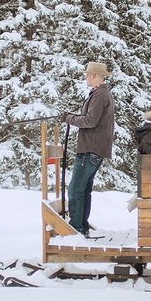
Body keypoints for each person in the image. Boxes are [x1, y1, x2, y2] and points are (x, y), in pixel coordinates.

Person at [60, 61, 115, 237]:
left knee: (75, 189)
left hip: (90, 148)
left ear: (94, 76)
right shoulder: (101, 94)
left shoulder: (99, 95)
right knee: (84, 189)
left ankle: (75, 229)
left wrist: (69, 119)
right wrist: (73, 117)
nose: (85, 77)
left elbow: (90, 121)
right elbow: (89, 118)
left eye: (87, 75)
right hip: (96, 148)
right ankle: (81, 226)